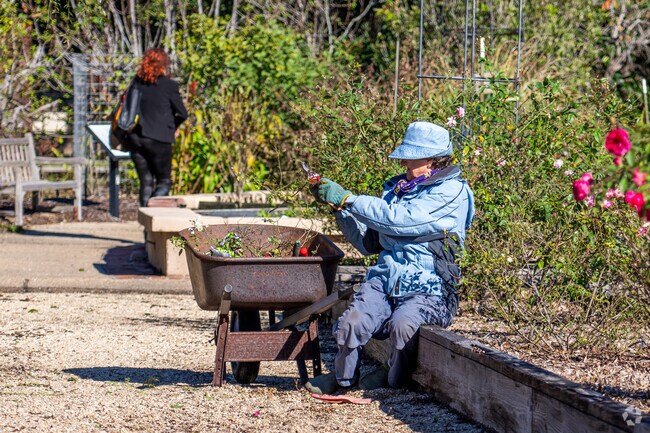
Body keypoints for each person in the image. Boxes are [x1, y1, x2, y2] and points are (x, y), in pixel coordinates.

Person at [305, 121, 475, 395]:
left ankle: (392, 378)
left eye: (411, 157)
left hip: (429, 286)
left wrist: (350, 199)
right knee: (353, 321)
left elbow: (400, 221)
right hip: (386, 279)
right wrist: (340, 209)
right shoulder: (398, 189)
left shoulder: (452, 193)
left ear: (432, 160)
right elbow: (368, 242)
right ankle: (342, 379)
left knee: (403, 325)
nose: (405, 163)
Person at [126, 48, 188, 207]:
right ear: (164, 64)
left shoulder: (136, 82)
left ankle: (147, 226)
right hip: (159, 140)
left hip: (135, 139)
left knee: (145, 182)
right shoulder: (169, 86)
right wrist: (173, 126)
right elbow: (182, 113)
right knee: (164, 182)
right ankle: (152, 210)